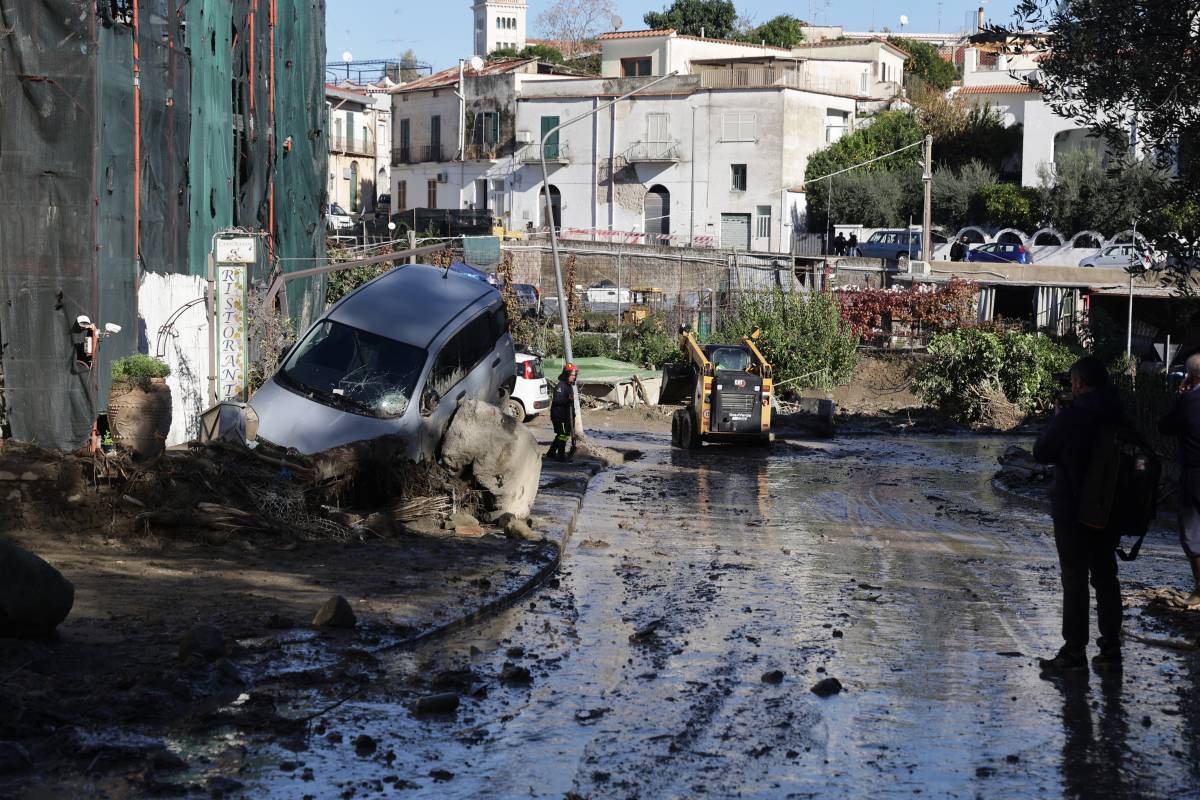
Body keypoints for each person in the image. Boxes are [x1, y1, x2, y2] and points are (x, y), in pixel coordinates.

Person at [1033, 356, 1127, 675]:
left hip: (1073, 509)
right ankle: (1111, 649)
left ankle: (1074, 653)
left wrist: (1057, 418)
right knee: (1106, 577)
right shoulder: (1119, 411)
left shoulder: (1073, 415)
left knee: (1074, 580)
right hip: (1107, 509)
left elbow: (1041, 452)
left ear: (1079, 383)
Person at [1158, 353, 1200, 608]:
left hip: (1195, 474)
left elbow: (1165, 426)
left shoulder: (1189, 401)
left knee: (1193, 531)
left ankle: (1199, 590)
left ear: (1192, 376)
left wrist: (1182, 396)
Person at [547, 363, 578, 462]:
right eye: (572, 374)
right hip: (559, 416)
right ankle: (561, 456)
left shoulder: (569, 386)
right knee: (563, 435)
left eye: (574, 374)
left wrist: (573, 414)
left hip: (566, 416)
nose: (574, 376)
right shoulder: (561, 386)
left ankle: (551, 453)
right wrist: (567, 399)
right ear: (566, 374)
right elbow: (556, 400)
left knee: (561, 434)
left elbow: (570, 403)